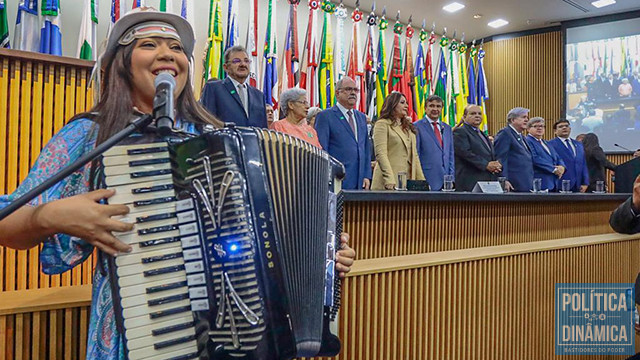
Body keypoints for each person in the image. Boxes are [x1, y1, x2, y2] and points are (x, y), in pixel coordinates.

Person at [0, 9, 356, 358]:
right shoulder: (92, 135)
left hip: (237, 340)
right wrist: (48, 216)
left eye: (175, 47)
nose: (167, 53)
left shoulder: (220, 139)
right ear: (121, 63)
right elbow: (6, 222)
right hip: (144, 332)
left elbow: (273, 242)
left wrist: (325, 259)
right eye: (149, 44)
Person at [315, 77, 372, 190]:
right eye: (348, 89)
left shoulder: (361, 117)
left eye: (356, 90)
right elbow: (322, 150)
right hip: (336, 179)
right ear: (337, 93)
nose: (353, 93)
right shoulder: (325, 116)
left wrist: (366, 175)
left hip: (359, 181)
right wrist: (327, 177)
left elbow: (365, 148)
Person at [200, 45, 268, 128]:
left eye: (246, 61)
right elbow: (207, 124)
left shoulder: (259, 96)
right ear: (226, 67)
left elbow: (263, 130)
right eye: (236, 61)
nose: (243, 64)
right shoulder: (214, 89)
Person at [371, 92, 424, 190]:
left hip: (408, 182)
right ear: (393, 104)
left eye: (406, 103)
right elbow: (381, 154)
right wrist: (389, 179)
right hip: (389, 182)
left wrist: (422, 181)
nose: (406, 106)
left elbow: (415, 156)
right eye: (402, 103)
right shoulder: (382, 124)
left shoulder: (408, 128)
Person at [453, 105, 501, 192]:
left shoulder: (482, 134)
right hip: (469, 183)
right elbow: (465, 153)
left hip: (487, 182)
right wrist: (486, 165)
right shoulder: (460, 132)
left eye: (479, 113)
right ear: (464, 117)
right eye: (473, 113)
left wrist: (496, 164)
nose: (477, 116)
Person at [414, 95, 455, 191]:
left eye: (438, 106)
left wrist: (451, 179)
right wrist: (420, 179)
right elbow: (416, 154)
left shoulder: (447, 128)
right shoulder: (416, 127)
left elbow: (450, 156)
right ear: (425, 108)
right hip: (427, 179)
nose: (435, 109)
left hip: (446, 183)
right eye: (431, 106)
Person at [494, 107, 534, 192]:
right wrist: (504, 179)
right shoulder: (505, 133)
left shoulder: (521, 136)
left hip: (525, 182)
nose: (527, 120)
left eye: (527, 117)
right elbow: (501, 158)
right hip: (513, 184)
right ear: (512, 120)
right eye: (523, 117)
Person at [524, 117, 565, 191]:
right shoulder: (527, 141)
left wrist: (562, 167)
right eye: (536, 126)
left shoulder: (547, 143)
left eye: (542, 126)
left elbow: (558, 157)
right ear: (528, 129)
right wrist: (554, 169)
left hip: (553, 182)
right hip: (539, 183)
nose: (539, 128)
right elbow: (534, 158)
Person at [548, 119, 589, 193]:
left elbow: (583, 164)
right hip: (560, 184)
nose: (564, 128)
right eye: (560, 127)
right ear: (555, 131)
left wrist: (585, 182)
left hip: (578, 185)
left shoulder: (578, 144)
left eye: (566, 126)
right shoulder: (550, 144)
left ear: (570, 129)